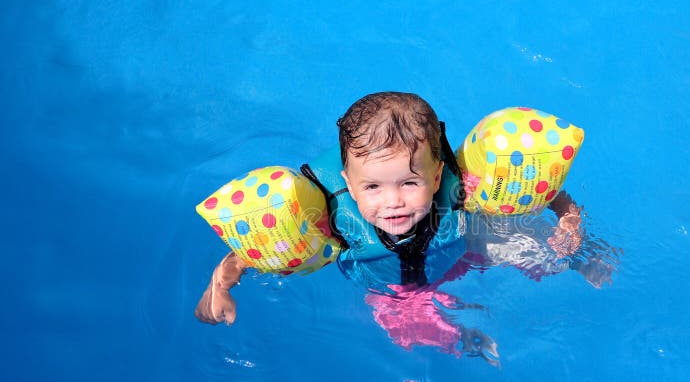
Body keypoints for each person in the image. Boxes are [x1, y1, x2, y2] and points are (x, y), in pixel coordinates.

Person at [195, 92, 589, 326]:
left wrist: (569, 220)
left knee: (541, 251)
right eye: (372, 187)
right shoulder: (331, 218)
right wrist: (220, 286)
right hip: (389, 287)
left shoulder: (461, 187)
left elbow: (547, 192)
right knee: (408, 322)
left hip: (457, 248)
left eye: (409, 183)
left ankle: (588, 263)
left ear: (437, 178)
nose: (393, 201)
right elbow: (256, 248)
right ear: (348, 184)